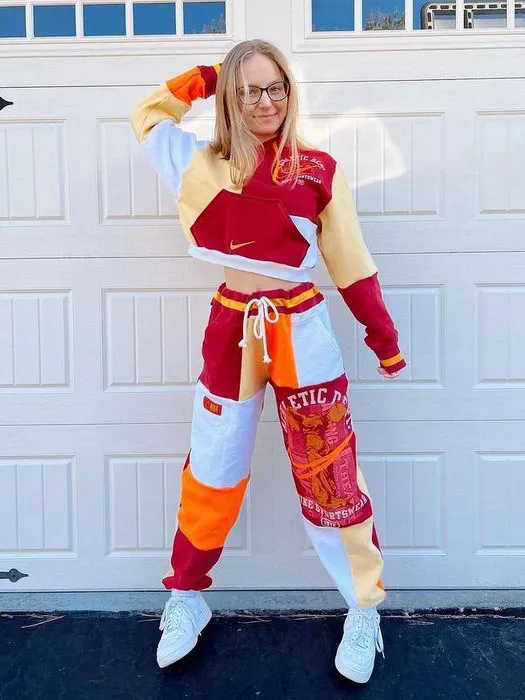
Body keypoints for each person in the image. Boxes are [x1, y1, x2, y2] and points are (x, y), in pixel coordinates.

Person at [129, 38, 406, 684]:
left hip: (301, 329)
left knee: (329, 473)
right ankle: (186, 595)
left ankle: (363, 607)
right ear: (231, 95)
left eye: (274, 86)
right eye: (248, 88)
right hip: (232, 328)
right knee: (212, 467)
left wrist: (383, 338)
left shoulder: (318, 169)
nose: (264, 100)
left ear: (289, 91)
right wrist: (208, 76)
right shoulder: (199, 164)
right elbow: (147, 114)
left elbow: (351, 262)